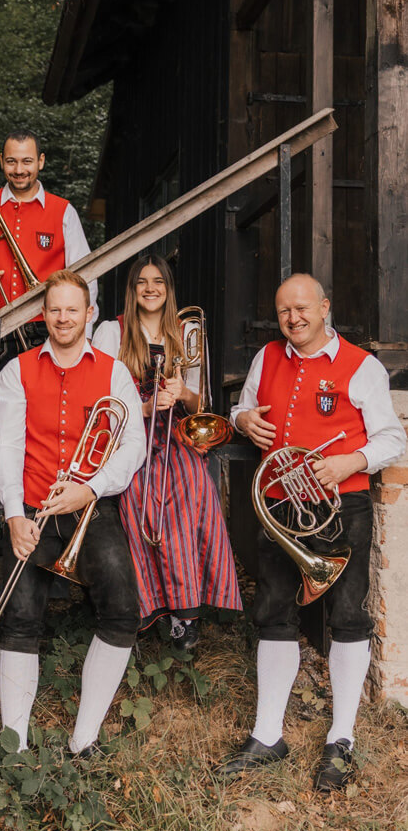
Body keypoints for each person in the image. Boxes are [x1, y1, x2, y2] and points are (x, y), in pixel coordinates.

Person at [219, 273, 405, 791]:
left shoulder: (361, 366)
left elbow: (392, 438)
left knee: (347, 614)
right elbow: (243, 409)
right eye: (283, 311)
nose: (293, 318)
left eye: (302, 308)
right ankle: (267, 734)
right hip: (280, 506)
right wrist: (243, 421)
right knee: (273, 611)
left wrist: (351, 460)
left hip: (339, 507)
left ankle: (340, 738)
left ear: (324, 307)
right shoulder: (266, 359)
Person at [0, 269, 145, 757]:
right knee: (19, 617)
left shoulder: (113, 371)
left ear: (88, 315)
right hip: (33, 508)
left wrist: (90, 488)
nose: (62, 317)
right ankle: (15, 745)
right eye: (54, 309)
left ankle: (84, 739)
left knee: (122, 610)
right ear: (43, 314)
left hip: (90, 509)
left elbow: (132, 447)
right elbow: (9, 449)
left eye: (72, 309)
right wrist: (14, 514)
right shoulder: (16, 370)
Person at [93, 256, 241, 648]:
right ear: (132, 289)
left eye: (158, 281)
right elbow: (98, 395)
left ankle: (186, 612)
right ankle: (151, 604)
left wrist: (183, 393)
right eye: (142, 282)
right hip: (130, 431)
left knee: (192, 489)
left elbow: (200, 404)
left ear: (168, 287)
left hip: (176, 432)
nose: (150, 288)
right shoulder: (112, 330)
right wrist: (140, 406)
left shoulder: (187, 330)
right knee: (140, 496)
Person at [0, 129, 98, 348]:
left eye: (27, 161)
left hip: (47, 327)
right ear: (1, 161)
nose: (19, 170)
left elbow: (86, 277)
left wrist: (85, 334)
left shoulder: (64, 212)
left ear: (41, 161)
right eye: (11, 161)